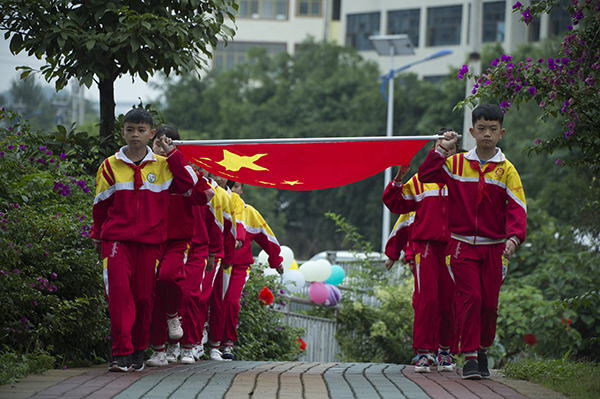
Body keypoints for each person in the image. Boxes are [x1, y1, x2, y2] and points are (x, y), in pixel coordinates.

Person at [418, 104, 527, 380]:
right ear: (471, 132)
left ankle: (482, 350)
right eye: (481, 129)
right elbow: (427, 175)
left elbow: (517, 207)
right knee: (471, 299)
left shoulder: (508, 170)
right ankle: (468, 357)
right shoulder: (455, 164)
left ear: (501, 133)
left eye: (492, 129)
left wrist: (514, 237)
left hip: (494, 248)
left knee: (489, 305)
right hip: (461, 245)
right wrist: (442, 150)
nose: (486, 134)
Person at [90, 109, 198, 372]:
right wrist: (97, 236)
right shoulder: (109, 165)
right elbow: (100, 206)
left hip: (150, 244)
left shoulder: (163, 166)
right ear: (123, 132)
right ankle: (121, 354)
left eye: (141, 130)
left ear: (151, 134)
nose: (135, 134)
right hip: (116, 241)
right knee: (118, 293)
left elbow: (189, 185)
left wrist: (172, 153)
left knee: (142, 298)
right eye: (130, 129)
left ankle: (138, 351)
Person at [382, 131, 458, 374]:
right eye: (441, 147)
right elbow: (398, 208)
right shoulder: (419, 181)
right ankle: (423, 353)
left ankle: (445, 351)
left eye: (450, 148)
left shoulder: (460, 176)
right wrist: (399, 177)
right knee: (427, 300)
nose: (445, 152)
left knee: (449, 302)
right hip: (425, 247)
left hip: (453, 248)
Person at [145, 125, 214, 367]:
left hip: (182, 242)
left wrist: (173, 155)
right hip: (150, 240)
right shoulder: (145, 169)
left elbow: (198, 192)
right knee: (152, 294)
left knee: (183, 290)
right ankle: (160, 349)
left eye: (168, 144)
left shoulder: (186, 169)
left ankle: (187, 344)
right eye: (158, 143)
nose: (162, 148)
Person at [216, 181, 284, 360]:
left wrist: (276, 261)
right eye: (230, 186)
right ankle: (204, 343)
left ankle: (227, 344)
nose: (233, 190)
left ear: (242, 189)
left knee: (231, 302)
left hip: (238, 268)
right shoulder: (215, 202)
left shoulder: (249, 213)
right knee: (212, 301)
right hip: (216, 262)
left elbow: (267, 238)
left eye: (236, 186)